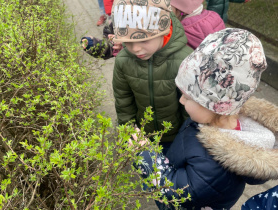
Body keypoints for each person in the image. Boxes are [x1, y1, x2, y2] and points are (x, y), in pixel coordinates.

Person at [132, 28, 278, 209]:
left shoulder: (215, 165)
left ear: (215, 104)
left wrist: (145, 155)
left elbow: (177, 191)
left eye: (187, 97)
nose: (181, 100)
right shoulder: (209, 119)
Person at [111, 0, 193, 153]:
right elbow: (123, 101)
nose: (135, 49)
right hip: (142, 137)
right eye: (128, 42)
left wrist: (187, 141)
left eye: (144, 39)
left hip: (176, 139)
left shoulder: (184, 60)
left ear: (164, 30)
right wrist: (128, 132)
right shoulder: (123, 61)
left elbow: (189, 110)